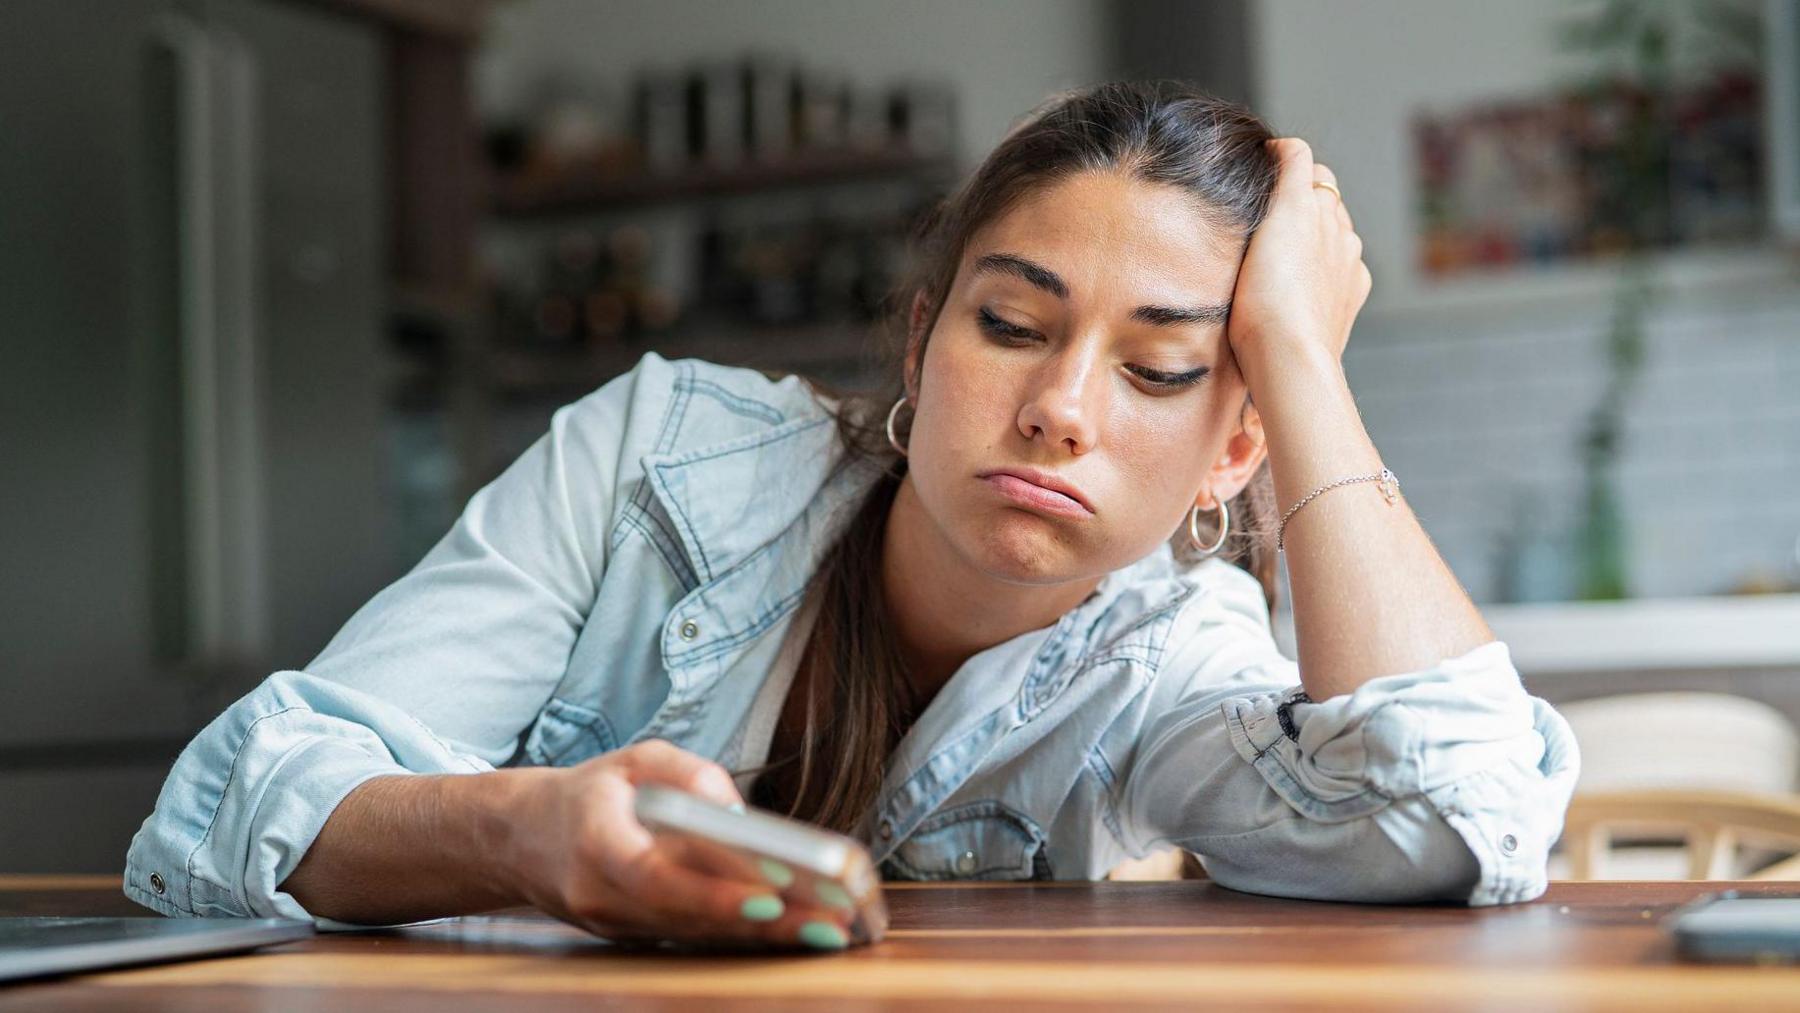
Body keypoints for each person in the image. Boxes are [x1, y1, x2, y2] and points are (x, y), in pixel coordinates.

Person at [124, 80, 1578, 951]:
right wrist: (523, 833)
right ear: (920, 345)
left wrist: (1307, 369)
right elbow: (234, 802)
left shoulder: (1172, 652)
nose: (1064, 404)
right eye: (1014, 324)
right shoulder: (659, 455)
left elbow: (1458, 817)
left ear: (1230, 449)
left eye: (1161, 368)